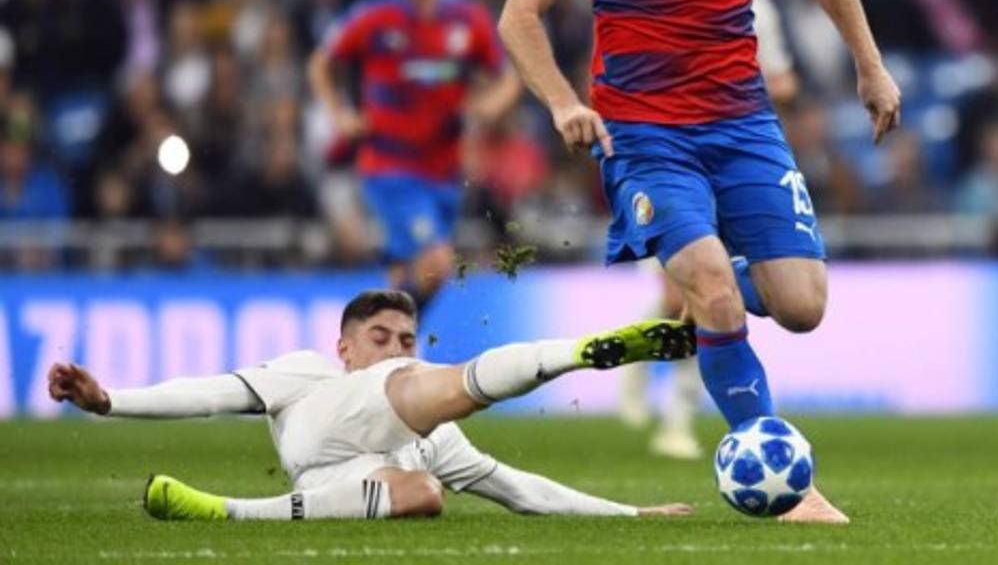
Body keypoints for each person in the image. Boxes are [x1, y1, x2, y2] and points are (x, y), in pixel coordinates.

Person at [498, 0, 900, 524]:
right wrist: (562, 101)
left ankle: (698, 299)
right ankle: (786, 483)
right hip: (645, 136)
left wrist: (870, 64)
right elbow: (519, 15)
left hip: (744, 122)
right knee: (715, 289)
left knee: (802, 304)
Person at [47, 290, 693, 522]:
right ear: (345, 347)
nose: (393, 348)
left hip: (341, 482)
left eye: (406, 338)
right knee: (425, 386)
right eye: (379, 338)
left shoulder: (434, 442)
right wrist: (109, 401)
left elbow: (518, 489)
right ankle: (576, 353)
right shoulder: (306, 371)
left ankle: (225, 511)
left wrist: (631, 512)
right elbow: (210, 392)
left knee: (423, 493)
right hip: (331, 422)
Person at [618, 0, 797, 461]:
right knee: (681, 297)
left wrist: (736, 88)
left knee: (709, 296)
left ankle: (676, 421)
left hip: (734, 160)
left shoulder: (759, 7)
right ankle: (634, 368)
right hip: (668, 162)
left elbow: (783, 83)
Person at [308, 0, 520, 309]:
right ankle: (390, 336)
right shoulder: (373, 16)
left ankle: (388, 337)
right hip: (389, 167)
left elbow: (508, 78)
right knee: (437, 262)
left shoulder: (468, 19)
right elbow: (321, 63)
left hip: (444, 170)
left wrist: (491, 105)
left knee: (406, 276)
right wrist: (339, 114)